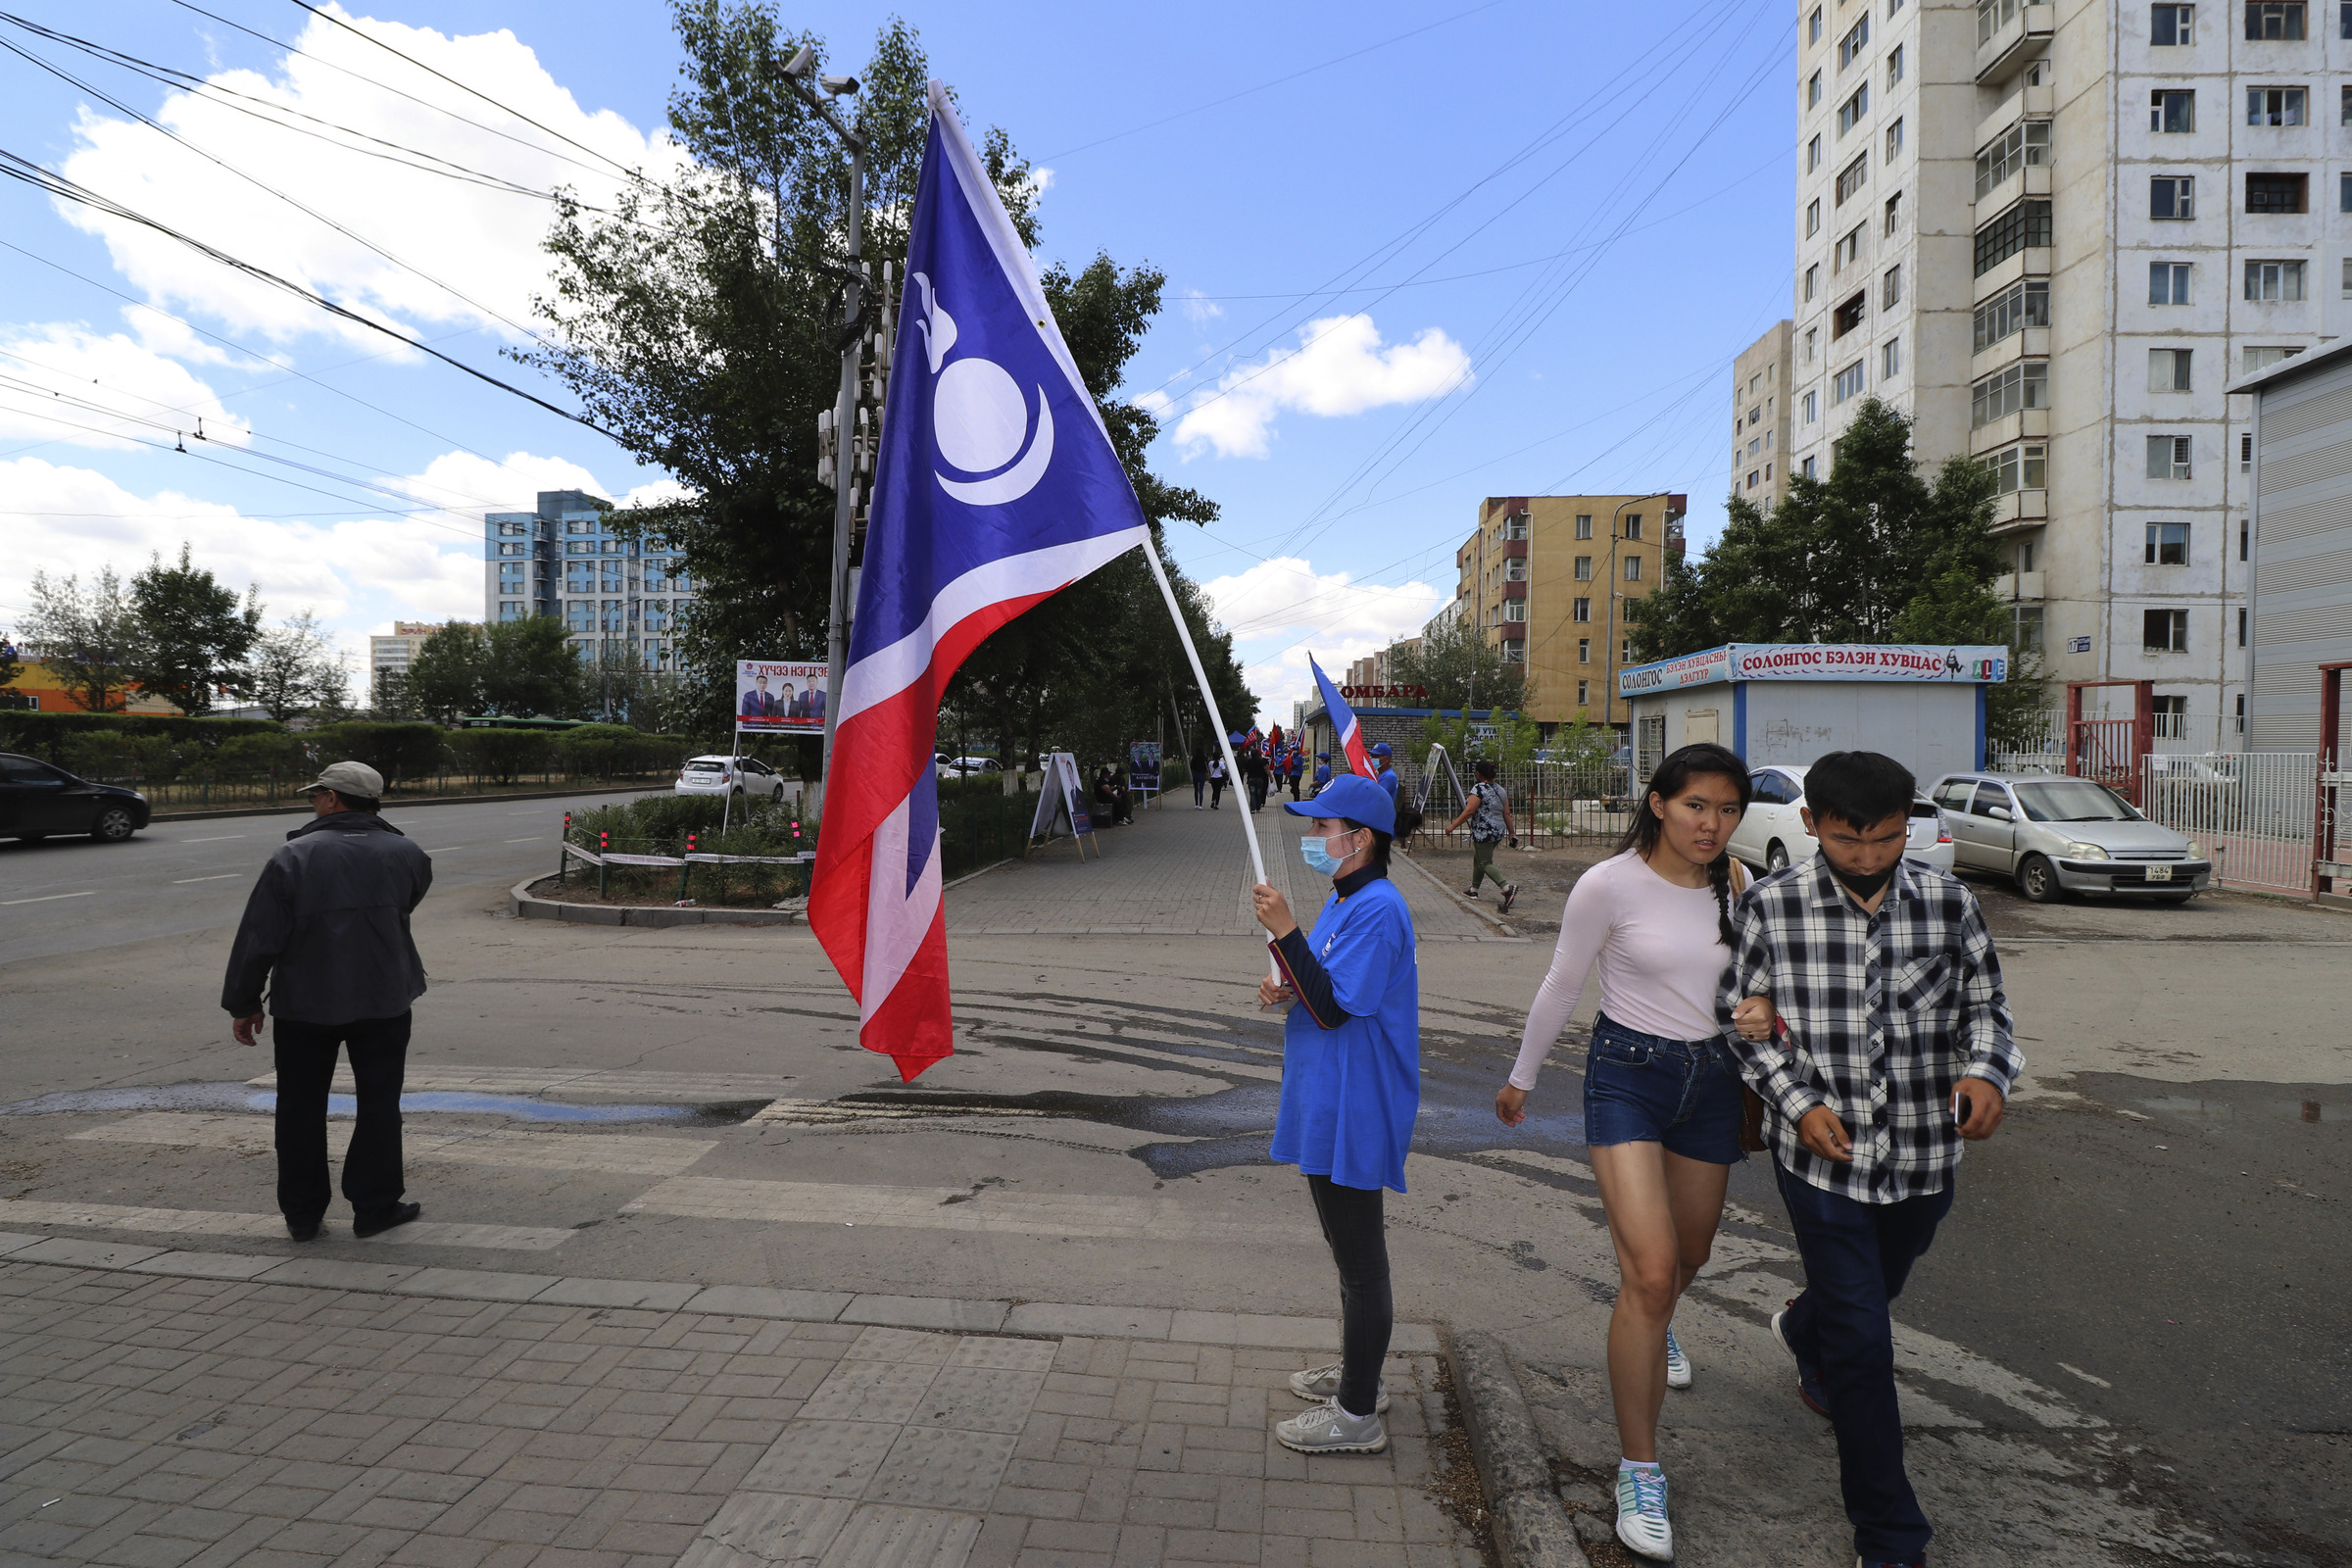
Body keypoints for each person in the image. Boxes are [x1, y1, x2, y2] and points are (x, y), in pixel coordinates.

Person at [1720, 752, 2020, 1568]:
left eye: (1888, 839)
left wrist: (1985, 1072)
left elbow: (1986, 1007)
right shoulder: (1772, 910)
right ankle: (1889, 1536)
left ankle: (1802, 1325)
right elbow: (1741, 1024)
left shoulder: (1949, 903)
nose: (1869, 856)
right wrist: (1799, 1103)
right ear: (1813, 825)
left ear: (1907, 828)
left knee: (1869, 1292)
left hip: (1926, 1154)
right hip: (1822, 1157)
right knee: (1865, 1338)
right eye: (1851, 840)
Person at [1494, 743, 1774, 1562]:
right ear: (1659, 803)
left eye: (1727, 810)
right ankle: (1640, 1469)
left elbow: (1752, 986)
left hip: (1714, 1085)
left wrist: (1761, 1008)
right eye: (1696, 806)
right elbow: (1560, 983)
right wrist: (1521, 1076)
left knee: (1688, 1255)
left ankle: (1656, 1327)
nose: (1712, 825)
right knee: (1649, 1273)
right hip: (1628, 1078)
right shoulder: (1608, 883)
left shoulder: (1739, 884)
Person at [1250, 773, 1419, 1455]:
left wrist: (1286, 931)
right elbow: (1324, 990)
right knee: (1346, 1253)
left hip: (1357, 1102)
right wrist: (1287, 986)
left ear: (1360, 839)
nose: (1313, 838)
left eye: (1322, 828)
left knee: (1360, 1260)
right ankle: (1361, 1375)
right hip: (1330, 1094)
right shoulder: (1348, 899)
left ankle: (1356, 1416)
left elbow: (1338, 1008)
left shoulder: (1379, 907)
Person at [220, 761, 434, 1243]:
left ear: (333, 799)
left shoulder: (294, 856)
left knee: (298, 1106)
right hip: (385, 999)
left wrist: (244, 1002)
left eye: (316, 795)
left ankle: (302, 1214)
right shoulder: (407, 853)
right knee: (379, 1102)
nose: (313, 803)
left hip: (305, 1003)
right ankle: (375, 1207)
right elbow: (406, 904)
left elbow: (260, 936)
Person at [1446, 758, 1520, 912]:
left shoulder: (1478, 789)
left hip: (1483, 831)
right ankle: (1473, 889)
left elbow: (1470, 811)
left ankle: (1507, 888)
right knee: (1479, 858)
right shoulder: (1501, 790)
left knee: (1485, 862)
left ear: (1478, 774)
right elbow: (1507, 813)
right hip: (1498, 831)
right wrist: (1512, 832)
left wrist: (1452, 826)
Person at [1369, 742, 1399, 809]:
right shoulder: (1378, 774)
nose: (1372, 759)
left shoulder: (1389, 777)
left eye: (1376, 756)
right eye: (1372, 756)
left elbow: (1375, 797)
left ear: (1387, 758)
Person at [1191, 744, 1209, 809]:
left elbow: (1191, 766)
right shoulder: (1204, 758)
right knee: (1201, 789)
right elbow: (1207, 766)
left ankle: (1196, 804)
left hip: (1195, 774)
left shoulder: (1194, 757)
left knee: (1196, 789)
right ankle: (1200, 805)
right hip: (1202, 774)